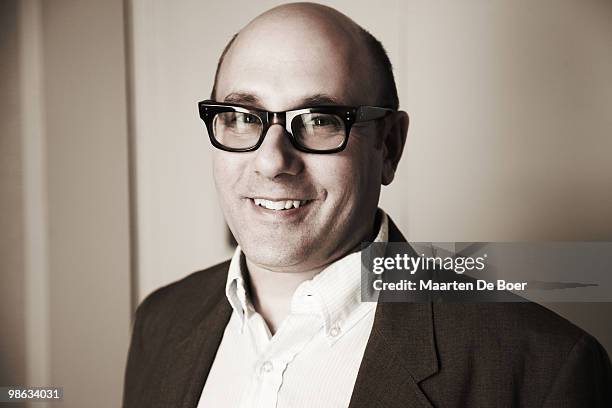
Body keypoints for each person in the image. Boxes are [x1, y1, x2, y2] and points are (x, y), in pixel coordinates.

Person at [122, 3, 612, 407]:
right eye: (241, 117)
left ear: (389, 147)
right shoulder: (160, 322)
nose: (272, 161)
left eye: (319, 120)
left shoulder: (541, 369)